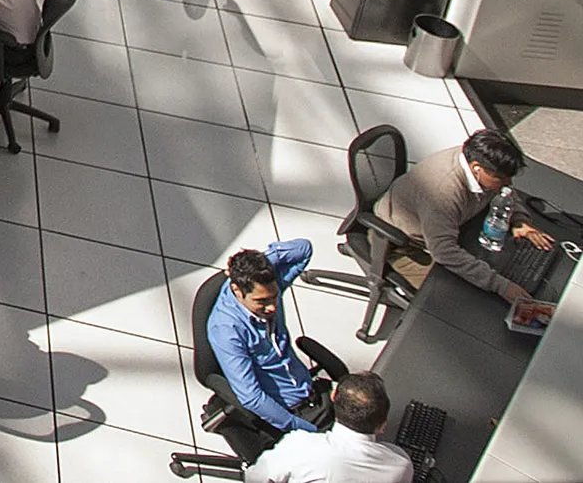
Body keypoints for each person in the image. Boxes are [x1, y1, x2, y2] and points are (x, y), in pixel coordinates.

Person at [375, 128, 553, 302]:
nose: (508, 183)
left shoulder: (479, 162)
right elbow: (444, 251)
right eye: (501, 178)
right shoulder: (442, 193)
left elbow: (503, 191)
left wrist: (519, 220)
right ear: (477, 168)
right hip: (403, 244)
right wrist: (500, 286)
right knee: (462, 296)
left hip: (450, 226)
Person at [211, 241, 341, 437]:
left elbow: (303, 249)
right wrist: (306, 431)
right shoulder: (227, 330)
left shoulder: (268, 288)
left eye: (274, 297)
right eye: (261, 301)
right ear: (237, 290)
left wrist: (257, 263)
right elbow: (251, 397)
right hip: (293, 415)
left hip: (314, 393)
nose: (272, 307)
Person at [245, 372, 411, 483]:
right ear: (382, 426)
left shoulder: (298, 446)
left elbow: (255, 478)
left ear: (333, 396)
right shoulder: (400, 465)